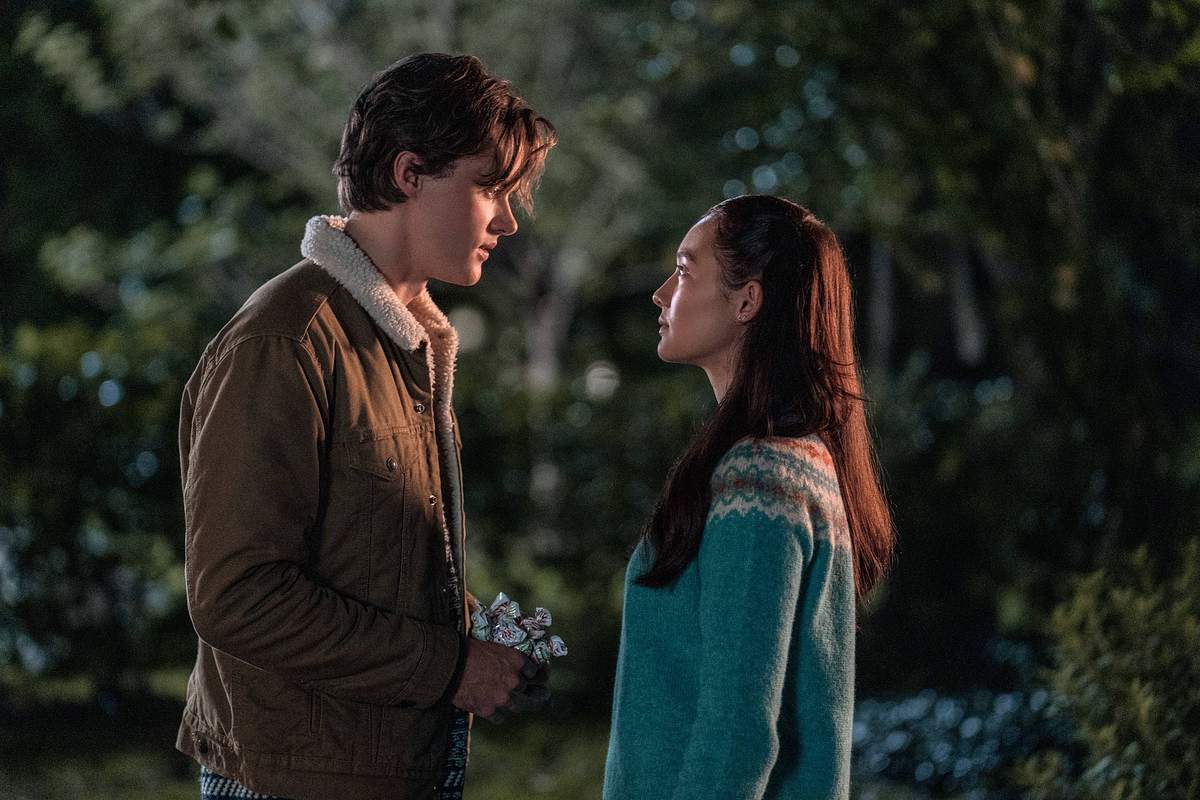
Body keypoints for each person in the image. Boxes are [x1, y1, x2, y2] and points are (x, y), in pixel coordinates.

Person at [175, 53, 556, 800]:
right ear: (410, 172)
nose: (508, 220)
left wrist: (478, 639)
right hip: (293, 780)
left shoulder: (407, 341)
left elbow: (365, 562)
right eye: (490, 187)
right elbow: (237, 595)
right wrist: (450, 667)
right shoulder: (286, 340)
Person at [603, 195, 896, 799]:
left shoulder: (760, 478)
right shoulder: (791, 464)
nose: (661, 294)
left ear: (746, 301)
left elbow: (738, 735)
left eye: (684, 271)